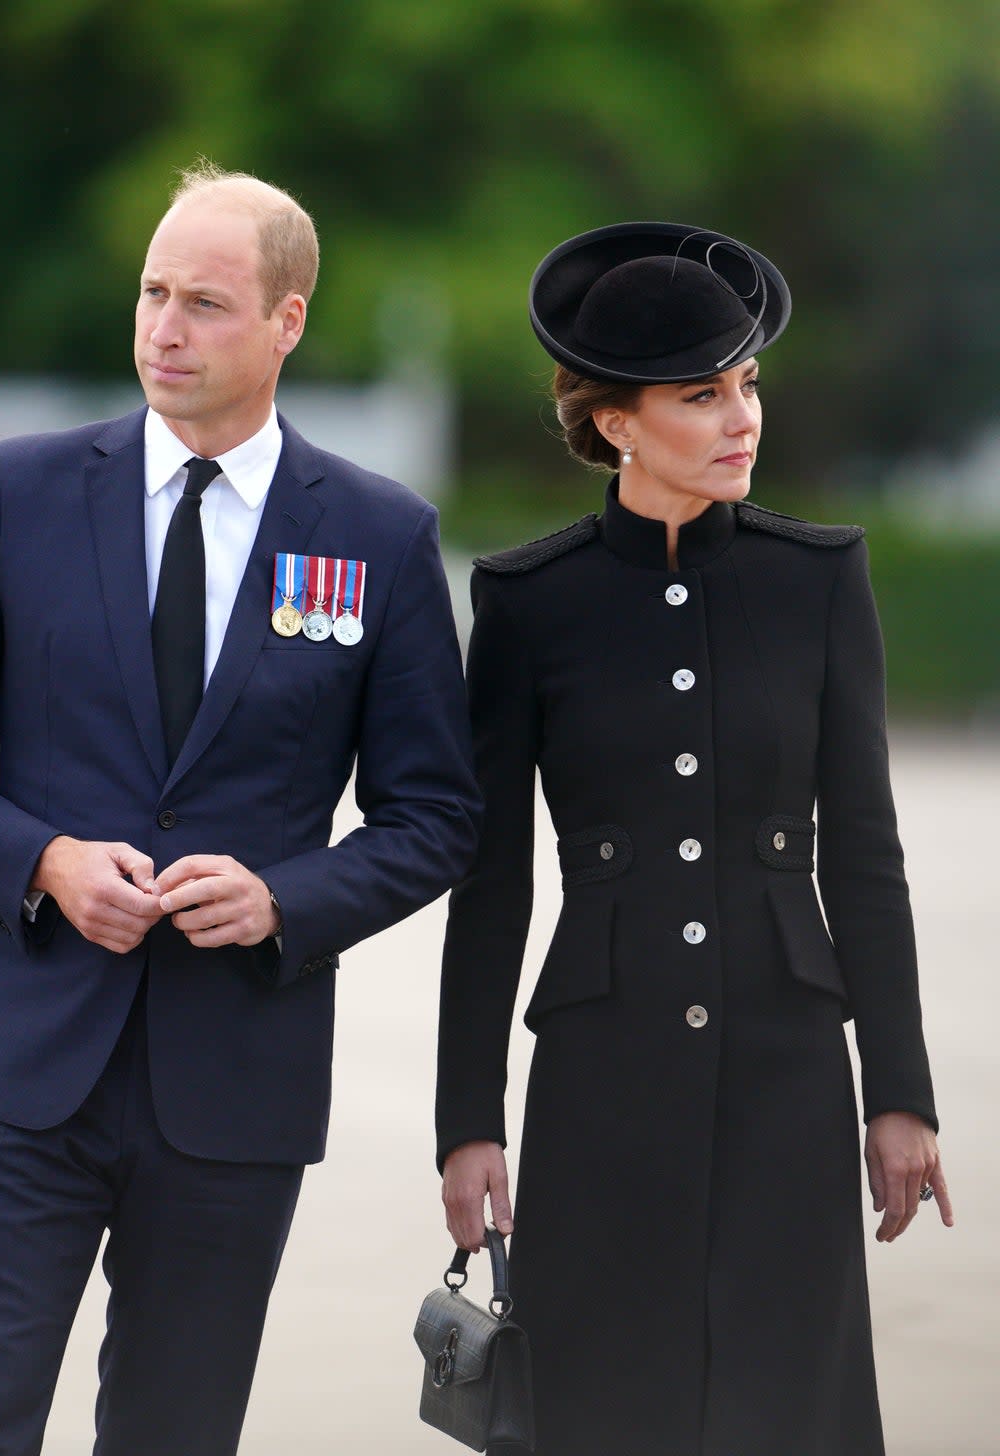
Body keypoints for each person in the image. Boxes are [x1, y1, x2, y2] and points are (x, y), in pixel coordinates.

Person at [0, 161, 480, 1455]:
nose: (163, 328)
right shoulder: (20, 493)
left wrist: (284, 900)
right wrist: (39, 858)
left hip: (233, 1085)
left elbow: (434, 815)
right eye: (152, 293)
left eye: (204, 301)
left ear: (288, 321)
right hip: (19, 1060)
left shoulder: (378, 535)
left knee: (175, 1432)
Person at [436, 222, 952, 1456]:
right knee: (605, 1399)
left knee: (788, 1401)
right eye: (702, 394)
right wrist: (469, 1119)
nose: (742, 418)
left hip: (786, 1061)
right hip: (600, 1074)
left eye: (749, 384)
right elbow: (490, 880)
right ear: (617, 423)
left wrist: (902, 1094)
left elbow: (866, 853)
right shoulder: (526, 601)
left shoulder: (819, 578)